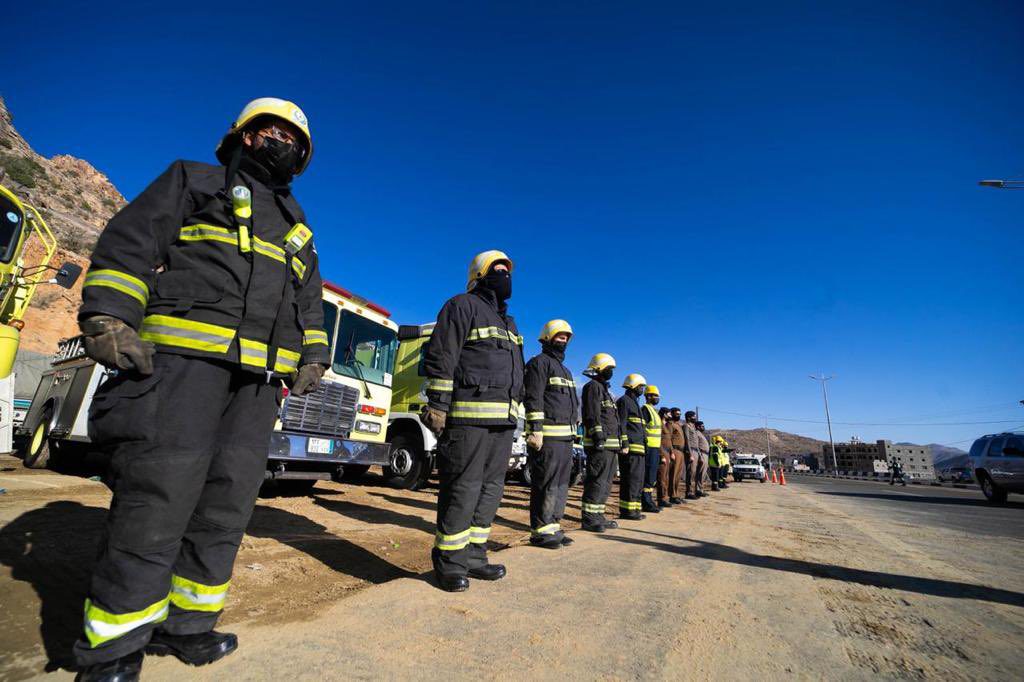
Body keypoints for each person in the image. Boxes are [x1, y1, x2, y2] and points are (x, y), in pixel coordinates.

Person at [73, 98, 328, 681]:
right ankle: (114, 649)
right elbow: (132, 242)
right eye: (270, 130)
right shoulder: (194, 180)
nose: (281, 141)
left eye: (293, 137)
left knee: (226, 506)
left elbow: (308, 302)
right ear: (241, 135)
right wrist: (109, 315)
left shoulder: (298, 227)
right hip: (184, 369)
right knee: (158, 498)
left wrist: (313, 354)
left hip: (259, 385)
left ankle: (187, 627)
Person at [421, 250, 525, 592]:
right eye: (497, 269)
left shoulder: (510, 324)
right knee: (463, 489)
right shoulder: (461, 306)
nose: (504, 275)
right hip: (467, 419)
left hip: (502, 423)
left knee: (491, 491)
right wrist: (438, 404)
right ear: (480, 274)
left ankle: (475, 557)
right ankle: (449, 563)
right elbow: (442, 355)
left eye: (507, 270)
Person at [523, 319, 580, 549]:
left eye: (566, 337)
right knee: (545, 483)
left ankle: (554, 525)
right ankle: (540, 531)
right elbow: (533, 397)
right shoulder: (538, 363)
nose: (563, 340)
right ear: (547, 338)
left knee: (561, 484)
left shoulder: (566, 371)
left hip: (565, 439)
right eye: (559, 336)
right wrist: (535, 430)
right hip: (547, 437)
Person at [580, 353, 624, 532]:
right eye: (609, 369)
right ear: (598, 369)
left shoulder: (606, 391)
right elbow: (592, 414)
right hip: (600, 445)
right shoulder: (592, 387)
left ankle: (598, 516)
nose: (611, 372)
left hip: (611, 447)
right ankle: (589, 519)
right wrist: (598, 437)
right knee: (597, 481)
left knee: (606, 483)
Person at [616, 373, 648, 520]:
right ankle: (627, 511)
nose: (643, 389)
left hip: (639, 450)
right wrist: (624, 443)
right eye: (641, 386)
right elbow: (621, 424)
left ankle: (634, 509)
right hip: (631, 449)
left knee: (638, 481)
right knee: (630, 480)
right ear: (633, 385)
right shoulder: (624, 401)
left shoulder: (635, 403)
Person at [640, 385, 663, 513]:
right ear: (648, 396)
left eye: (657, 396)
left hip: (655, 448)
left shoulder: (654, 411)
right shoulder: (646, 410)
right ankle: (646, 502)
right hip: (649, 447)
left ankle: (648, 500)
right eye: (655, 396)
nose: (657, 398)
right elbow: (642, 429)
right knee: (648, 475)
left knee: (652, 475)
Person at [682, 411, 706, 499]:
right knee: (691, 472)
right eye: (693, 416)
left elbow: (697, 443)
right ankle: (689, 492)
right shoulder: (686, 426)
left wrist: (699, 455)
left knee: (695, 472)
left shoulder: (694, 428)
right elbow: (687, 440)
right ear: (688, 418)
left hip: (696, 451)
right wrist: (690, 453)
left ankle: (694, 491)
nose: (695, 418)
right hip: (691, 450)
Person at [665, 407, 686, 504]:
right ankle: (672, 495)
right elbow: (668, 439)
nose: (679, 415)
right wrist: (671, 451)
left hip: (681, 452)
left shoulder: (679, 425)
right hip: (675, 450)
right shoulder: (670, 424)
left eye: (680, 414)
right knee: (673, 474)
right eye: (677, 414)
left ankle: (676, 494)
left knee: (678, 475)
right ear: (672, 414)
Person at [695, 421, 712, 493]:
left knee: (703, 473)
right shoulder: (697, 433)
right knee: (700, 473)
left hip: (706, 454)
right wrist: (700, 456)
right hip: (702, 454)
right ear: (698, 427)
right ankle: (698, 490)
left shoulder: (702, 434)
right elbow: (696, 445)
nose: (703, 427)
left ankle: (701, 489)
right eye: (702, 426)